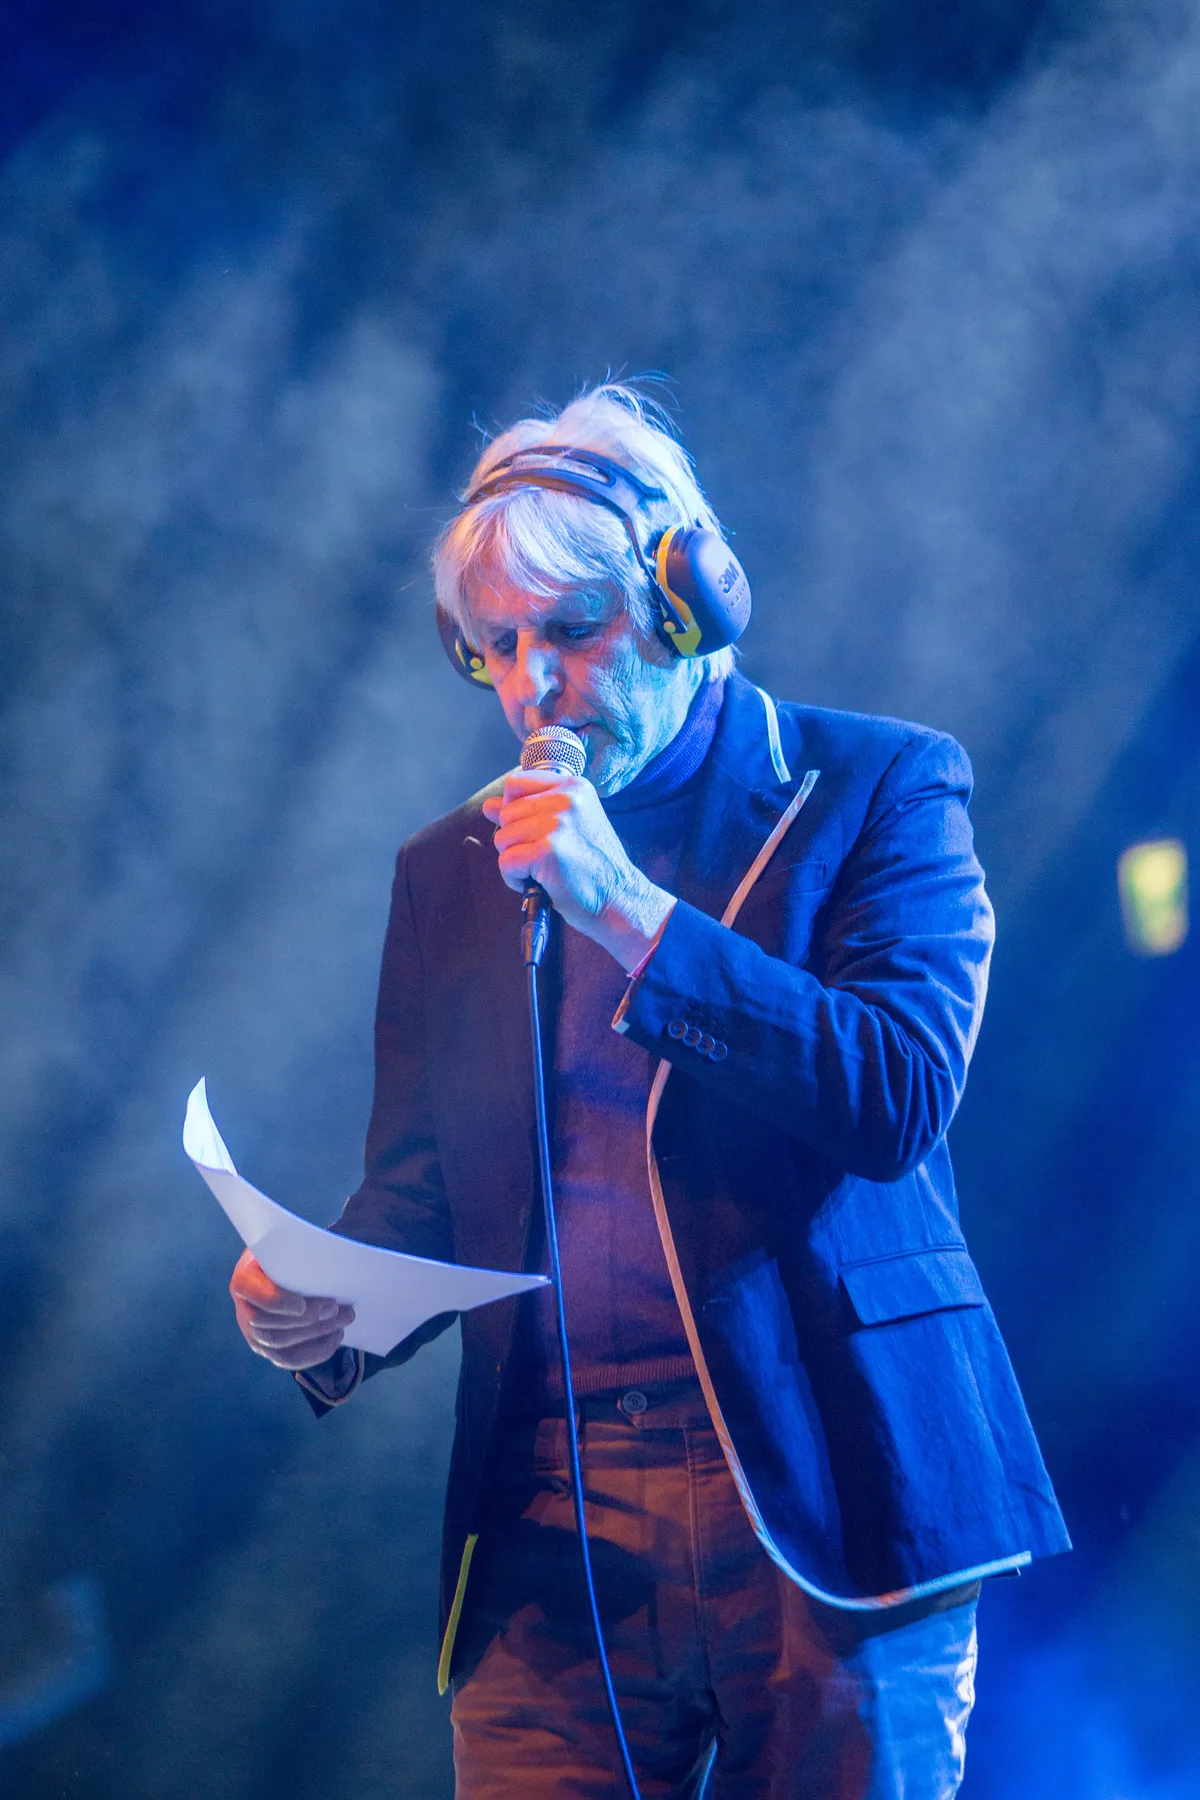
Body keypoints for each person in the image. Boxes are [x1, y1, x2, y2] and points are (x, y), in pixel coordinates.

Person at [229, 384, 1070, 1798]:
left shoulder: (880, 787)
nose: (530, 685)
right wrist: (327, 1304)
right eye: (496, 646)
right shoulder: (452, 868)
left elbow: (896, 1091)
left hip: (826, 1483)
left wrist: (625, 909)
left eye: (572, 630)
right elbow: (430, 1190)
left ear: (685, 605)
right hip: (553, 1519)